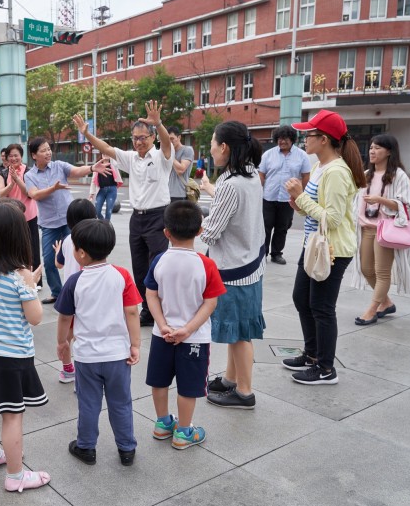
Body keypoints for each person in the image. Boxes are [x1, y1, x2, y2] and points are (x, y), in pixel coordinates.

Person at [0, 201, 50, 492]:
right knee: (12, 415)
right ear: (20, 237)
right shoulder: (19, 276)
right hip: (13, 357)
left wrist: (28, 282)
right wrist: (31, 285)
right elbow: (36, 317)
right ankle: (16, 476)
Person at [282, 109, 366, 385]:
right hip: (314, 245)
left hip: (333, 250)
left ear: (325, 139)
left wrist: (300, 198)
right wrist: (299, 203)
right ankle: (312, 353)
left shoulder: (338, 172)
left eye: (310, 134)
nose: (304, 139)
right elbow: (315, 211)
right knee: (301, 299)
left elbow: (332, 218)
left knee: (322, 307)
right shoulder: (319, 167)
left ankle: (326, 368)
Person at [73, 101, 174, 326]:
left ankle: (163, 308)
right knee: (139, 267)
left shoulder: (161, 157)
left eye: (143, 137)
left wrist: (158, 124)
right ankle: (147, 310)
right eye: (135, 138)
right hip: (137, 219)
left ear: (152, 138)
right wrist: (87, 134)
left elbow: (167, 143)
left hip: (158, 217)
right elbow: (107, 149)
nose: (139, 142)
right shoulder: (131, 158)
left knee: (157, 266)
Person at [55, 219, 141, 467]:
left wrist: (63, 343)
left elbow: (65, 317)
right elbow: (132, 312)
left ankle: (86, 447)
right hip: (118, 355)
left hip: (87, 357)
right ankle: (126, 449)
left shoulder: (74, 281)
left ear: (81, 253)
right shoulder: (121, 275)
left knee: (89, 403)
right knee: (121, 403)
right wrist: (134, 344)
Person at [145, 201, 226, 448]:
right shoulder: (206, 264)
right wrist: (188, 329)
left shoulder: (159, 260)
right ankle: (183, 432)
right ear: (200, 231)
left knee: (159, 381)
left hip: (162, 335)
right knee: (188, 387)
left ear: (166, 232)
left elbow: (151, 294)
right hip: (194, 339)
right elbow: (210, 303)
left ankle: (162, 424)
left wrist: (162, 324)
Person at [199, 121, 266, 409]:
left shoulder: (232, 183)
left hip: (234, 269)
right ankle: (230, 379)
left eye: (213, 143)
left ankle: (245, 392)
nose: (211, 150)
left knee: (239, 334)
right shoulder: (250, 176)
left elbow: (212, 231)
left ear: (224, 147)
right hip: (250, 263)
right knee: (236, 330)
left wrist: (190, 223)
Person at [24, 137, 111, 304]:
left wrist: (93, 167)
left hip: (70, 221)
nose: (48, 152)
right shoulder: (30, 176)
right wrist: (53, 188)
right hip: (49, 224)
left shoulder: (59, 166)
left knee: (82, 254)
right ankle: (58, 293)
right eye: (43, 150)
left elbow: (76, 171)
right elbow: (34, 194)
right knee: (50, 261)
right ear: (34, 155)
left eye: (48, 149)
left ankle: (83, 287)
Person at [353, 134, 410, 324]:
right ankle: (387, 303)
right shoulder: (366, 174)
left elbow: (405, 204)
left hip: (386, 230)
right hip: (366, 228)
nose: (372, 151)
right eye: (371, 147)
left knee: (382, 272)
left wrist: (380, 200)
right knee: (366, 269)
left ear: (389, 152)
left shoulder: (399, 175)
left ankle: (372, 310)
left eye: (378, 148)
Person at [53, 198, 97, 384]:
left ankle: (67, 369)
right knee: (86, 334)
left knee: (67, 337)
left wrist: (57, 251)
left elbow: (58, 264)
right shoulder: (93, 239)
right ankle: (85, 371)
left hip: (70, 293)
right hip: (89, 292)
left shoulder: (67, 240)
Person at [259, 125, 311, 265]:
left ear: (292, 139)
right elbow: (261, 174)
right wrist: (258, 191)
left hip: (288, 199)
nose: (282, 141)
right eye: (280, 139)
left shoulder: (302, 155)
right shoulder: (268, 154)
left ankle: (277, 254)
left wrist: (301, 195)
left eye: (285, 139)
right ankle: (262, 253)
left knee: (282, 227)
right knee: (265, 226)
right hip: (268, 197)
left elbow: (306, 175)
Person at [0, 144, 41, 290]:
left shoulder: (29, 171)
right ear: (6, 158)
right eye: (10, 156)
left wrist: (17, 179)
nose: (13, 158)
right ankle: (15, 277)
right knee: (13, 246)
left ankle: (36, 280)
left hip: (29, 214)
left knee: (33, 247)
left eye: (16, 155)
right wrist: (11, 183)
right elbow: (1, 194)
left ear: (21, 156)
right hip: (11, 215)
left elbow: (29, 193)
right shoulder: (3, 173)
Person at [165, 126, 195, 203]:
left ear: (179, 137)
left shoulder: (187, 150)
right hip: (165, 194)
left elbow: (181, 169)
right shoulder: (166, 152)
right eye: (168, 139)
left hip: (179, 195)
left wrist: (170, 154)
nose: (170, 142)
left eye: (172, 139)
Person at [89, 156, 122, 221]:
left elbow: (118, 161)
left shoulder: (113, 164)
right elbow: (93, 181)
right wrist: (91, 193)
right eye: (104, 153)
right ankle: (104, 223)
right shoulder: (97, 165)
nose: (106, 155)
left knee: (108, 211)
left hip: (112, 190)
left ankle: (106, 226)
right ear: (101, 155)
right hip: (101, 190)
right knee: (97, 211)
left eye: (107, 153)